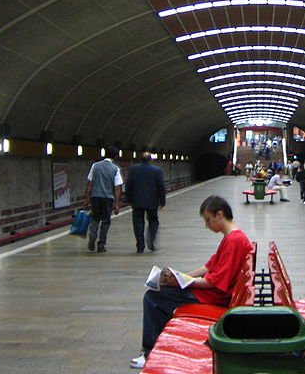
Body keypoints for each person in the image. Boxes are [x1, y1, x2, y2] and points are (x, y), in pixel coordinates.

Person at [130, 195, 252, 369]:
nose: (207, 225)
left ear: (220, 214)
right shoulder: (233, 237)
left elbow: (213, 282)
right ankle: (159, 346)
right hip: (213, 293)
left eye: (208, 220)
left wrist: (183, 282)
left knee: (153, 297)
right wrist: (180, 276)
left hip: (214, 297)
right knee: (161, 294)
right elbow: (208, 267)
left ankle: (149, 352)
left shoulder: (234, 241)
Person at [83, 147, 123, 253]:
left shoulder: (95, 166)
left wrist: (86, 198)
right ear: (115, 156)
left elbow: (90, 183)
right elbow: (117, 187)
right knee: (106, 221)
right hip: (108, 199)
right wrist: (117, 203)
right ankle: (101, 244)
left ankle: (93, 234)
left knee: (95, 218)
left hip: (95, 197)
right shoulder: (115, 169)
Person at [126, 152, 166, 253]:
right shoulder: (157, 170)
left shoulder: (133, 169)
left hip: (137, 201)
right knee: (153, 220)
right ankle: (151, 238)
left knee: (138, 222)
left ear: (140, 159)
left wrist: (128, 199)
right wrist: (162, 201)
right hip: (152, 201)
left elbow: (128, 185)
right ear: (150, 160)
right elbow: (161, 186)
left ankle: (140, 245)